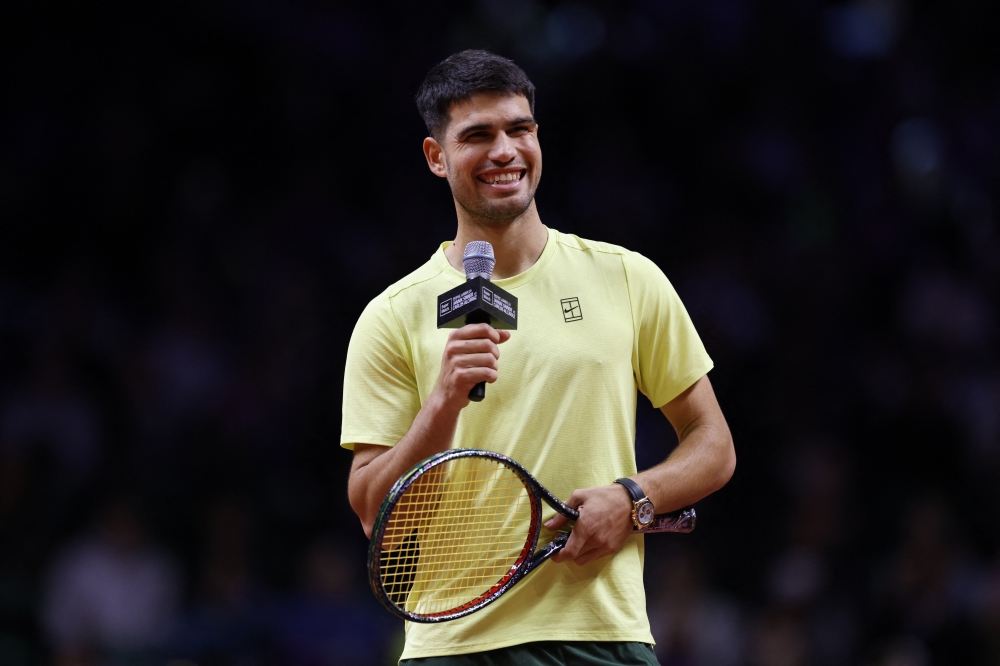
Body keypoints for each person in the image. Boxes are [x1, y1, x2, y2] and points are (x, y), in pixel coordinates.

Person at [343, 49, 736, 666]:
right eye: (478, 135)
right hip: (456, 644)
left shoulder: (627, 278)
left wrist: (634, 495)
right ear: (436, 157)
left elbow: (713, 445)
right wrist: (443, 403)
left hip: (602, 633)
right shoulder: (392, 316)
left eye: (519, 129)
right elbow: (374, 512)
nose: (504, 151)